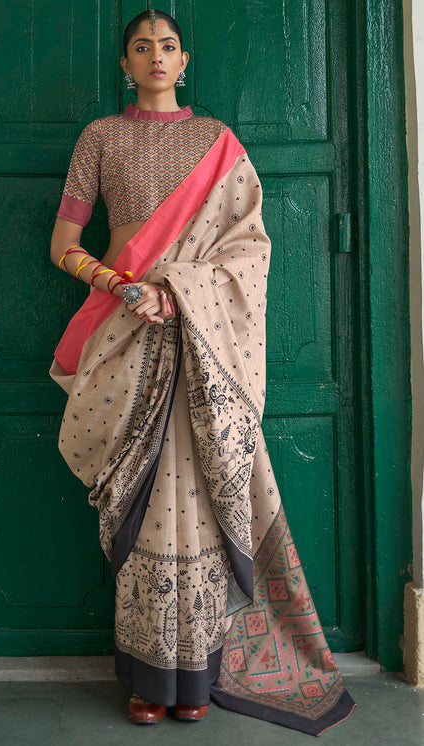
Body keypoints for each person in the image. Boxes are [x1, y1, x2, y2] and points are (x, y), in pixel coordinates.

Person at [49, 8, 356, 735]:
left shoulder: (216, 143)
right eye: (139, 47)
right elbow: (63, 243)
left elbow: (249, 249)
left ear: (184, 59)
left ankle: (199, 673)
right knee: (138, 500)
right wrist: (122, 285)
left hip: (201, 340)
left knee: (198, 499)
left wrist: (177, 289)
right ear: (123, 63)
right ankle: (147, 675)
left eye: (167, 46)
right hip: (125, 334)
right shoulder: (100, 137)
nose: (155, 57)